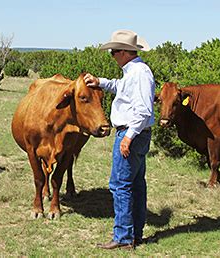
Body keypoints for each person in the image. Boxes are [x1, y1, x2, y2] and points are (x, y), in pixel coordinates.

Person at [84, 29, 155, 250]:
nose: (112, 55)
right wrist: (101, 82)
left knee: (120, 185)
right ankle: (135, 234)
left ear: (125, 52)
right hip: (136, 133)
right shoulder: (133, 72)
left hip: (131, 132)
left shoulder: (140, 73)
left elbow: (143, 111)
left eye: (113, 52)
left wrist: (128, 137)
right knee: (135, 184)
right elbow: (121, 87)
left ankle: (124, 238)